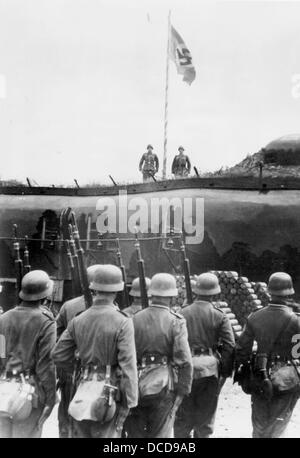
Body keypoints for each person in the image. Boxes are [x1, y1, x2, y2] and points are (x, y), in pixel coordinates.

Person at [51, 264, 138, 438]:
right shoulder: (122, 321)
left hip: (82, 386)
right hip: (110, 389)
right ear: (117, 290)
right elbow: (128, 365)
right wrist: (130, 401)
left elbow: (58, 354)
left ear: (94, 289)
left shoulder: (79, 319)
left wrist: (79, 365)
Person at [125, 273, 193, 438]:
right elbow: (185, 361)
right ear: (171, 295)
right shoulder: (176, 321)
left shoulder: (133, 319)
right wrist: (182, 392)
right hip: (165, 385)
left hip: (136, 381)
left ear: (151, 293)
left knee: (136, 435)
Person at [235, 272, 300, 438]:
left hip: (259, 375)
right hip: (287, 377)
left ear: (269, 292)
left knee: (259, 423)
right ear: (290, 293)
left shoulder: (255, 317)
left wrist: (243, 372)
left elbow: (242, 350)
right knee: (279, 423)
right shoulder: (296, 320)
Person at [174, 273, 235, 438]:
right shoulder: (219, 315)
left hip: (186, 368)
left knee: (182, 418)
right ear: (215, 293)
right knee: (205, 418)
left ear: (196, 291)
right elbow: (229, 345)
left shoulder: (182, 312)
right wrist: (224, 373)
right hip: (210, 369)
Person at [0, 270, 57, 438]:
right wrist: (51, 399)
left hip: (4, 389)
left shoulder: (4, 318)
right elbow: (46, 365)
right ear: (45, 295)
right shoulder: (46, 322)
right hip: (30, 394)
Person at [55, 264, 100, 438]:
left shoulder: (69, 306)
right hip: (98, 374)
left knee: (67, 418)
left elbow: (57, 341)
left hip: (70, 372)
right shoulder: (112, 308)